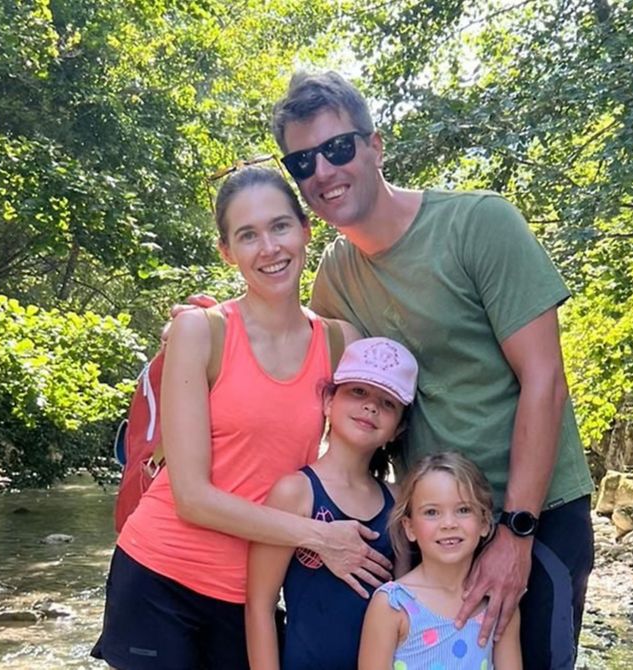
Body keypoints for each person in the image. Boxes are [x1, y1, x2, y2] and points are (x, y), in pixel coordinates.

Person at [173, 72, 595, 669]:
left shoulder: (480, 224)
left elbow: (545, 381)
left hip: (535, 513)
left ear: (375, 145)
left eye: (338, 147)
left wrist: (515, 533)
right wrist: (206, 321)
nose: (323, 170)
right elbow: (294, 353)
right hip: (423, 526)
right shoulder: (336, 279)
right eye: (302, 161)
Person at [91, 167, 395, 670]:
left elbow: (378, 424)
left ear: (305, 230)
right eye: (247, 235)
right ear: (227, 251)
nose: (269, 248)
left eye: (279, 227)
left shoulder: (342, 342)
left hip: (253, 591)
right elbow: (191, 498)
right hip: (158, 578)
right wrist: (322, 536)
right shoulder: (200, 332)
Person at [246, 336, 418, 670]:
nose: (370, 406)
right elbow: (259, 606)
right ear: (328, 401)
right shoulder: (295, 492)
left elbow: (407, 604)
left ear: (398, 429)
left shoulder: (397, 500)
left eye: (387, 403)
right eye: (358, 392)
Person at [358, 452, 522, 670]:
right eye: (432, 512)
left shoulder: (496, 603)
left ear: (484, 522)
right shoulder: (393, 605)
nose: (448, 523)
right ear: (410, 527)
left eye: (463, 510)